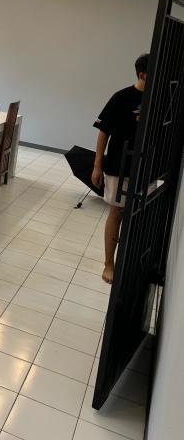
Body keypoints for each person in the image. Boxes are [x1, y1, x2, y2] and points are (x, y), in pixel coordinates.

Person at [92, 53, 149, 284]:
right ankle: (109, 263)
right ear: (143, 74)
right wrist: (97, 165)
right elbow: (103, 132)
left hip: (146, 167)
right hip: (119, 164)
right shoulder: (121, 97)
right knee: (116, 212)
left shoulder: (160, 101)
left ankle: (131, 262)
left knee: (139, 215)